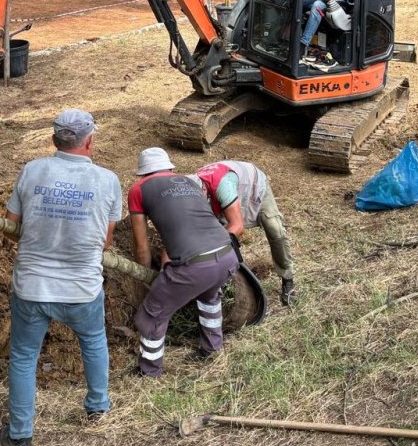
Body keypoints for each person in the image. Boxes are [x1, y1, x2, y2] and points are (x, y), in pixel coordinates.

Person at [0, 109, 123, 446]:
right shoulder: (108, 181)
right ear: (90, 141)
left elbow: (11, 225)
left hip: (31, 287)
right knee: (94, 341)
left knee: (24, 357)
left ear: (54, 140)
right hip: (82, 288)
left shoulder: (32, 170)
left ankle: (20, 437)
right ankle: (98, 408)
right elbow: (105, 242)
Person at [127, 148, 242, 376]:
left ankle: (148, 371)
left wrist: (145, 276)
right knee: (209, 298)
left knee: (152, 314)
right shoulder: (190, 183)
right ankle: (212, 349)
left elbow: (141, 246)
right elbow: (191, 225)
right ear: (170, 168)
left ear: (142, 173)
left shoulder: (138, 189)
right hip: (228, 254)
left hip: (196, 265)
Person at [196, 160, 297, 306]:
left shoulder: (222, 186)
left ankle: (288, 279)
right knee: (217, 232)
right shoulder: (192, 186)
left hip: (255, 186)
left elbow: (237, 226)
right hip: (228, 194)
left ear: (204, 191)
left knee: (275, 229)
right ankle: (225, 277)